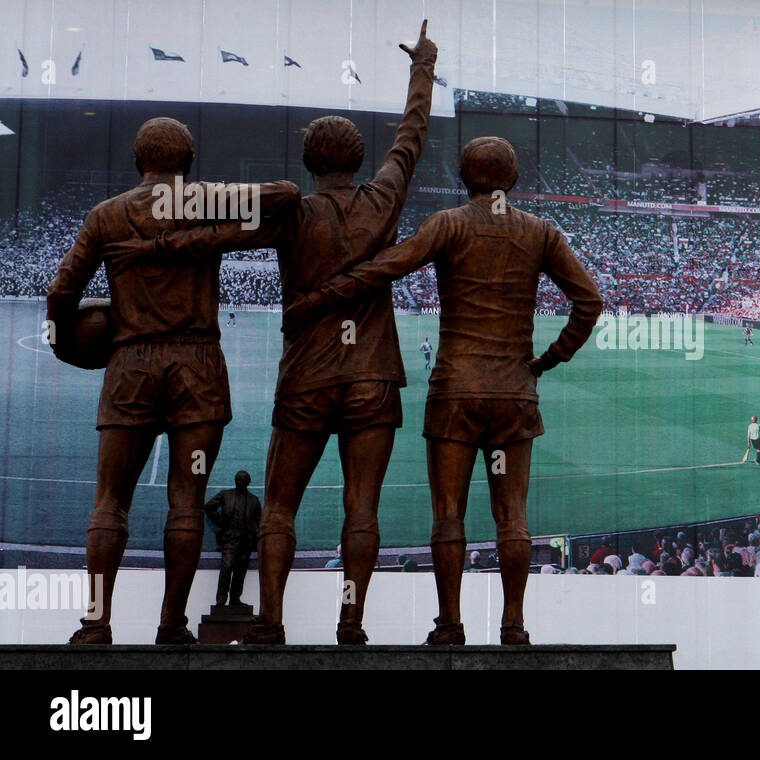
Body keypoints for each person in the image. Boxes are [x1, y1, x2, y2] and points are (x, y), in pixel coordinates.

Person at [106, 20, 439, 645]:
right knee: (360, 508)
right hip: (373, 373)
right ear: (359, 160)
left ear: (310, 162)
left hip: (308, 375)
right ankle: (351, 622)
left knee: (280, 507)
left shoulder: (291, 212)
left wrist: (157, 244)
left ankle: (272, 620)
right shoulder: (384, 198)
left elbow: (221, 236)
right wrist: (422, 68)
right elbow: (410, 139)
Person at [283, 135, 603, 646]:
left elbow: (386, 267)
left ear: (464, 177)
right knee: (513, 516)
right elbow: (589, 302)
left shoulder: (449, 224)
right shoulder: (541, 232)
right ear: (512, 178)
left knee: (448, 514)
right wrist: (547, 360)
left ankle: (450, 624)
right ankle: (513, 625)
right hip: (514, 393)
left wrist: (320, 297)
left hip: (456, 389)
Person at [50, 116, 298, 645]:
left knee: (109, 500)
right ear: (187, 162)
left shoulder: (105, 215)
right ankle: (173, 624)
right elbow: (284, 195)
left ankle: (95, 622)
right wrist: (206, 210)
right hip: (197, 368)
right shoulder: (202, 200)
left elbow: (59, 295)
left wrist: (68, 347)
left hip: (129, 366)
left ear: (139, 160)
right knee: (187, 500)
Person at [204, 471, 262, 607]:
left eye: (242, 481)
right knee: (227, 567)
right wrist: (221, 523)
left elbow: (259, 520)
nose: (239, 482)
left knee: (240, 571)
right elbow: (209, 507)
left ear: (248, 483)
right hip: (230, 538)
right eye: (238, 480)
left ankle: (235, 598)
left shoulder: (254, 500)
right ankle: (221, 599)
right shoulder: (226, 495)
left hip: (246, 540)